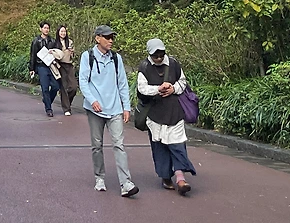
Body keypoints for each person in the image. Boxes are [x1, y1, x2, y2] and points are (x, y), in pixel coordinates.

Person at [80, 24, 138, 197]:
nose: (111, 40)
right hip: (95, 109)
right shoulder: (87, 56)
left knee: (119, 144)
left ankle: (126, 183)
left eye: (112, 37)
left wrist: (126, 107)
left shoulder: (116, 58)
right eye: (107, 37)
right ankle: (99, 178)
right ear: (97, 38)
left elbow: (122, 83)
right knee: (97, 145)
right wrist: (93, 100)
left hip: (114, 108)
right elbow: (83, 81)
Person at [136, 38, 196, 194]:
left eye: (161, 54)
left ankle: (181, 179)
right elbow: (142, 89)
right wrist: (158, 89)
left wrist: (173, 88)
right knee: (160, 147)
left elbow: (182, 82)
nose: (158, 58)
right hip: (155, 114)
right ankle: (166, 177)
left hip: (174, 111)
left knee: (178, 144)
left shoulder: (174, 64)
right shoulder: (144, 67)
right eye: (155, 55)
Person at [29, 20, 60, 117]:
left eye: (48, 28)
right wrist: (31, 68)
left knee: (56, 86)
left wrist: (53, 52)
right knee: (45, 88)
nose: (46, 30)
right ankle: (48, 109)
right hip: (41, 66)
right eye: (45, 28)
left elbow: (57, 52)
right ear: (41, 29)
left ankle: (47, 100)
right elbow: (33, 55)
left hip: (51, 66)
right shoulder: (36, 41)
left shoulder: (52, 40)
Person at [55, 25, 77, 116]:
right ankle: (66, 109)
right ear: (58, 32)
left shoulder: (70, 42)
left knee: (73, 87)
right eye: (61, 31)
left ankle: (67, 102)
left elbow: (74, 56)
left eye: (64, 31)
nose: (63, 33)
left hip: (69, 65)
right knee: (63, 87)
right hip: (60, 66)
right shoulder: (55, 43)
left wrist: (72, 52)